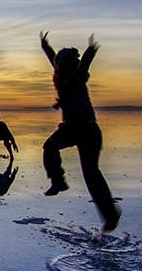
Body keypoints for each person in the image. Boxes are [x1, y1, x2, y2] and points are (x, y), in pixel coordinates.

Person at [39, 31, 121, 232]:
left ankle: (110, 216)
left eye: (60, 63)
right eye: (56, 63)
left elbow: (84, 64)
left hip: (87, 130)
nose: (56, 65)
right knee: (50, 147)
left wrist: (90, 51)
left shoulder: (75, 78)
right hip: (70, 128)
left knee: (91, 173)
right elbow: (52, 59)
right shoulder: (60, 74)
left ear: (67, 65)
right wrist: (45, 46)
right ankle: (58, 181)